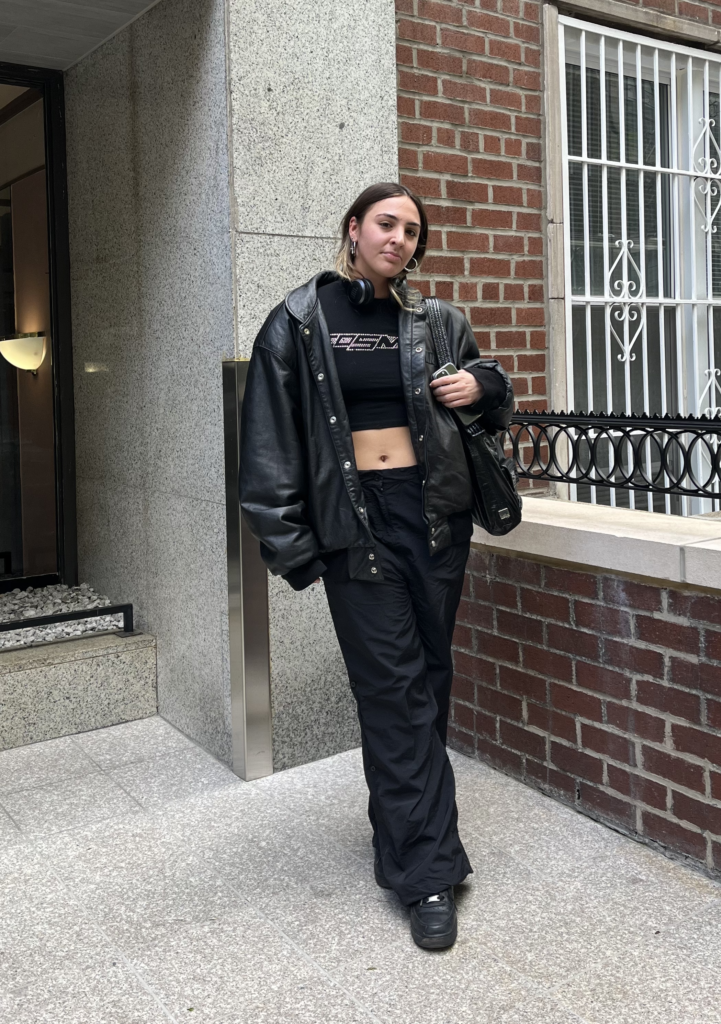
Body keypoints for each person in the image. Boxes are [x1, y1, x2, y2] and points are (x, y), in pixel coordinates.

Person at [239, 182, 514, 949]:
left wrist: (484, 384)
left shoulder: (436, 320)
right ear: (354, 228)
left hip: (434, 521)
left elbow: (494, 400)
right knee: (391, 691)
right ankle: (427, 871)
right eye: (385, 223)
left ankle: (403, 833)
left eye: (412, 231)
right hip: (353, 531)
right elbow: (266, 442)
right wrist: (291, 544)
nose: (398, 238)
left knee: (427, 677)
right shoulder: (298, 321)